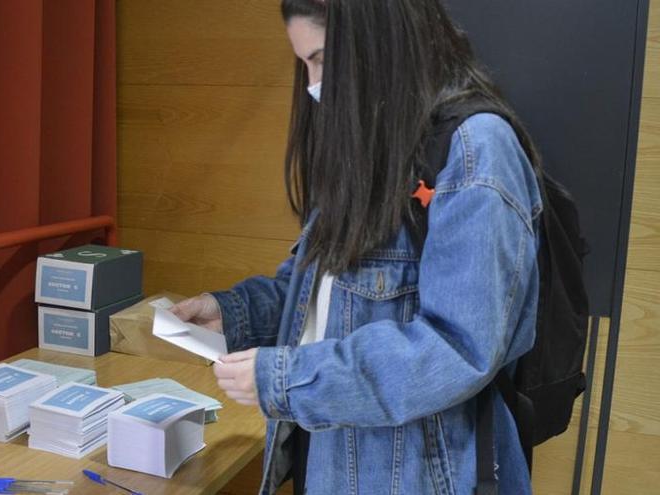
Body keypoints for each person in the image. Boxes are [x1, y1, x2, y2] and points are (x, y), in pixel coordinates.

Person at [171, 0, 541, 493]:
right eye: (304, 63)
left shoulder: (475, 150)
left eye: (321, 59)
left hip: (421, 475)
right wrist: (234, 314)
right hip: (336, 462)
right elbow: (324, 295)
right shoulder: (371, 142)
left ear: (378, 42)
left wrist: (287, 380)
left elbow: (457, 348)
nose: (312, 85)